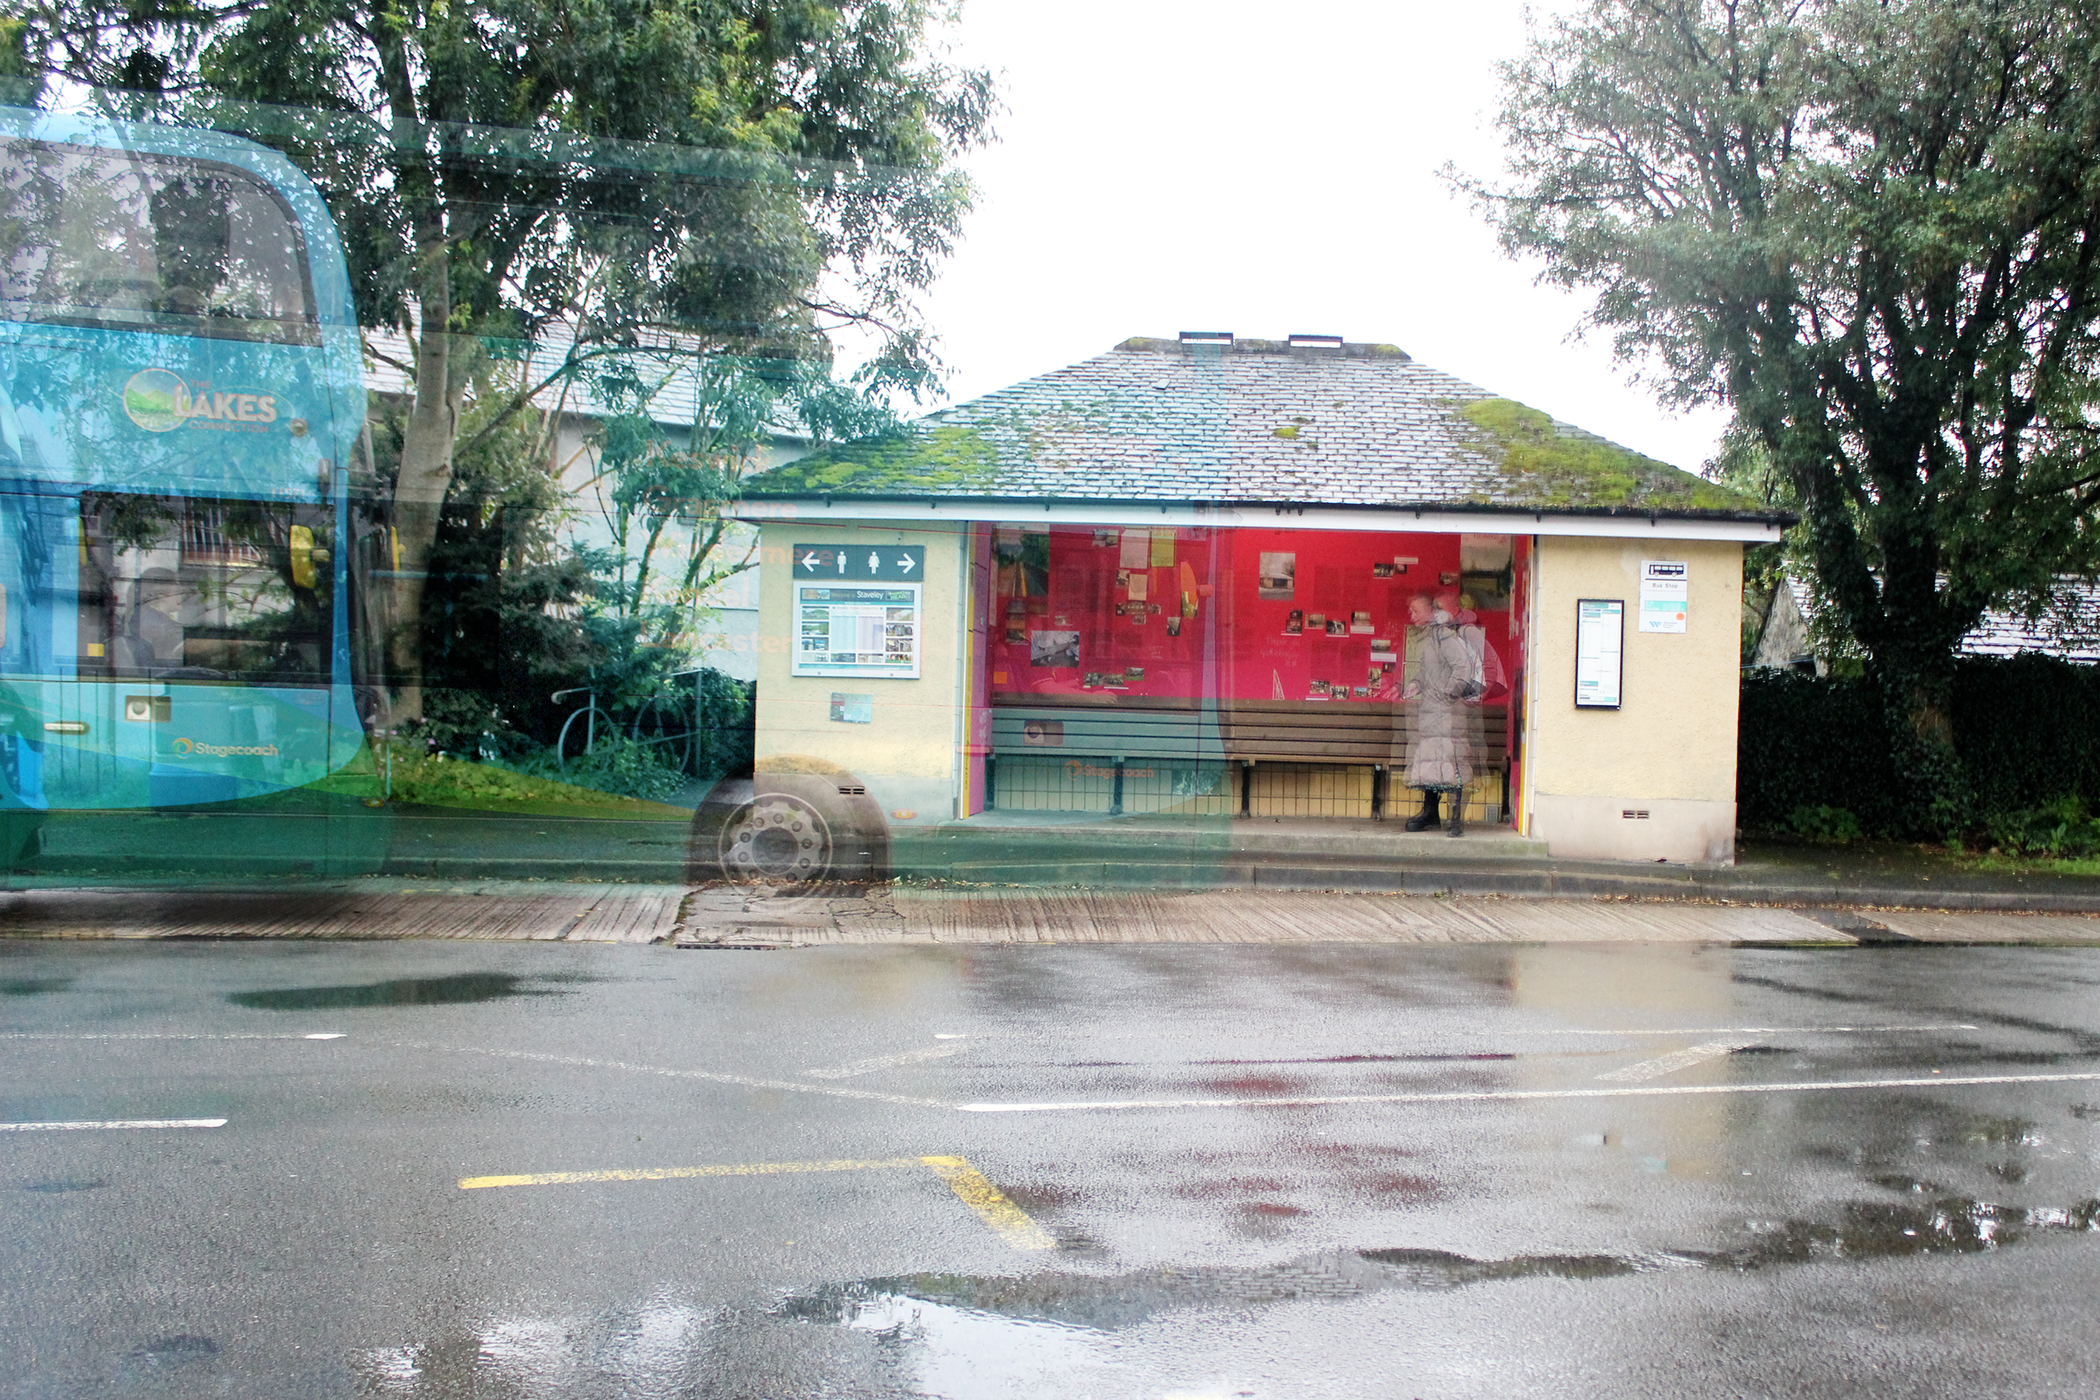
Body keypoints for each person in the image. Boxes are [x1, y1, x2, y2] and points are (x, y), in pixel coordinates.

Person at [1399, 592, 1478, 836]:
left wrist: (1447, 694)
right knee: (1434, 763)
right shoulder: (1432, 637)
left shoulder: (1445, 635)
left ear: (1430, 611)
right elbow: (1426, 671)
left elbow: (1463, 668)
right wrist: (1416, 684)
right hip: (1433, 712)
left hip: (1446, 712)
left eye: (1415, 611)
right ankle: (1431, 812)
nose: (1411, 616)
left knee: (1452, 763)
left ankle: (1456, 818)